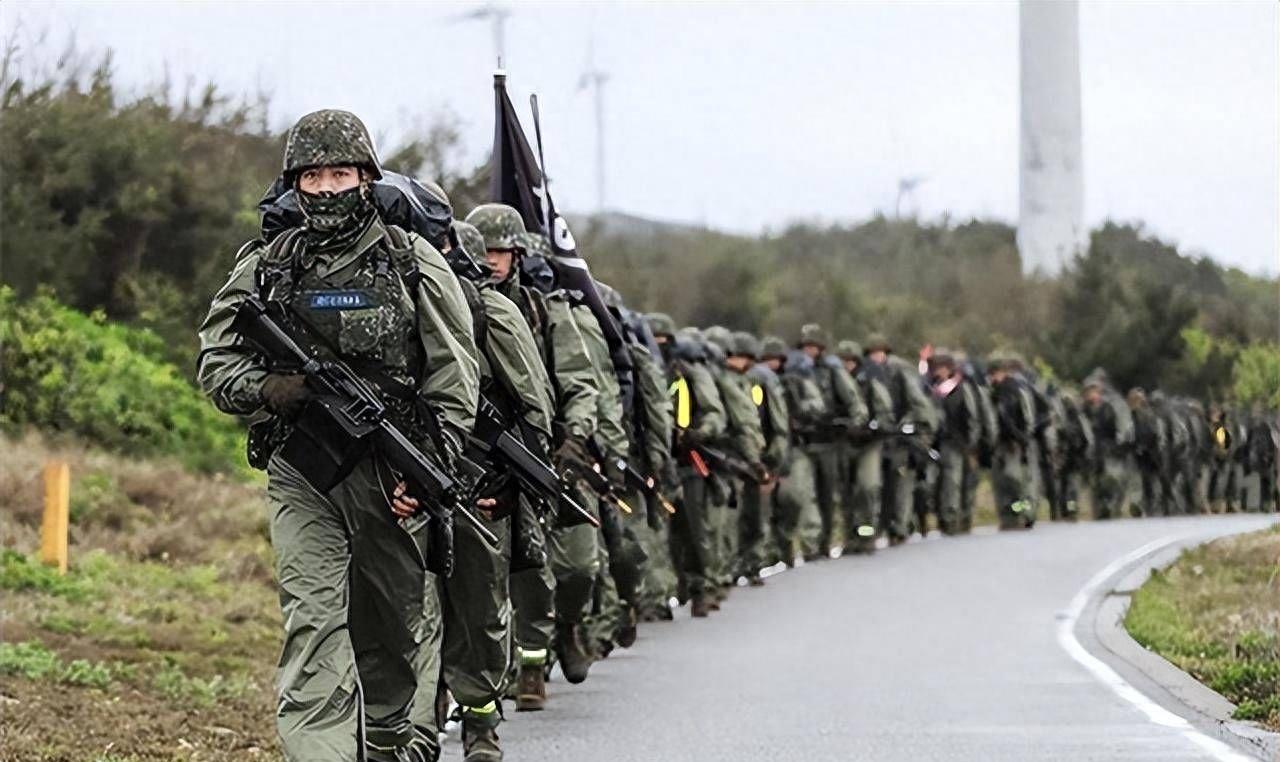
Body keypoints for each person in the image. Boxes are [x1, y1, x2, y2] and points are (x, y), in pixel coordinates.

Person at [197, 109, 480, 762]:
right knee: (314, 622)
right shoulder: (270, 264)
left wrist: (429, 465)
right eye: (313, 176)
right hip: (304, 475)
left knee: (387, 635)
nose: (326, 188)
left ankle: (387, 740)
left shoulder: (413, 261)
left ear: (367, 178)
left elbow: (454, 375)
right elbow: (217, 362)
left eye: (340, 173)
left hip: (389, 476)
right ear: (294, 185)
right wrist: (275, 390)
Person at [466, 205, 602, 697]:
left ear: (518, 255)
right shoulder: (458, 302)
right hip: (487, 453)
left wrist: (573, 440)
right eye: (483, 251)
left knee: (576, 567)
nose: (491, 261)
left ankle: (567, 626)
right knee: (513, 565)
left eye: (500, 251)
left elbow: (581, 385)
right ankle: (523, 668)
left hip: (552, 453)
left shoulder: (550, 312)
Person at [648, 314, 727, 617]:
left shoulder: (691, 373)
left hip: (688, 461)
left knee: (694, 530)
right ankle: (660, 594)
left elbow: (714, 413)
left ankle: (700, 588)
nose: (658, 346)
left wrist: (698, 433)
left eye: (663, 340)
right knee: (656, 532)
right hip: (656, 460)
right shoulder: (647, 368)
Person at [798, 324, 867, 556]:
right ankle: (812, 542)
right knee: (808, 494)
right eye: (806, 346)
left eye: (812, 346)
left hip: (830, 441)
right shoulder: (797, 370)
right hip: (806, 441)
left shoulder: (832, 371)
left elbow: (853, 400)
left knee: (830, 494)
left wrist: (856, 423)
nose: (809, 350)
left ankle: (827, 539)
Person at [864, 333, 936, 544]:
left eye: (879, 352)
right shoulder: (868, 372)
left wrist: (917, 428)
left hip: (902, 436)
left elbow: (918, 402)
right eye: (872, 353)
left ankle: (900, 527)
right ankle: (880, 526)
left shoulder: (900, 370)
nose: (876, 357)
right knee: (880, 485)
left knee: (902, 483)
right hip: (880, 436)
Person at [762, 337, 825, 565]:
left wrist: (799, 409)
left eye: (776, 359)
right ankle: (777, 548)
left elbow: (817, 405)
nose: (772, 364)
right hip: (766, 448)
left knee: (796, 496)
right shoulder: (757, 382)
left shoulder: (796, 381)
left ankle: (809, 543)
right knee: (770, 503)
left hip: (795, 447)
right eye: (767, 359)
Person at [836, 340, 894, 553]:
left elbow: (884, 411)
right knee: (846, 492)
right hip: (842, 443)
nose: (846, 365)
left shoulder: (870, 381)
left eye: (850, 361)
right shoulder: (832, 381)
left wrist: (875, 427)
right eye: (843, 361)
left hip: (869, 443)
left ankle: (867, 533)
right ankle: (850, 536)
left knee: (868, 487)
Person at [926, 348, 980, 535]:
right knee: (938, 482)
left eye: (941, 367)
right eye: (935, 367)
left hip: (957, 442)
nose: (937, 371)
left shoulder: (960, 389)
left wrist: (971, 444)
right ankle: (943, 516)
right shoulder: (932, 390)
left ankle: (953, 518)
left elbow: (971, 418)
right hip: (938, 442)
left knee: (953, 482)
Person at [987, 352, 1036, 529]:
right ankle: (1007, 517)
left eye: (996, 373)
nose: (993, 377)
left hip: (1016, 442)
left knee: (1017, 481)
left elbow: (1027, 417)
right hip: (1000, 443)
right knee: (1001, 483)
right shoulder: (994, 392)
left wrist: (1022, 439)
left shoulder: (1017, 390)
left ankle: (1024, 514)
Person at [1082, 369, 1134, 519]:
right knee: (1095, 483)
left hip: (1110, 450)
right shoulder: (1085, 409)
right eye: (1088, 390)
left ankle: (1111, 506)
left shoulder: (1111, 406)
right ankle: (1099, 510)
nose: (1091, 393)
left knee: (1111, 480)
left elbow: (1122, 428)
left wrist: (1119, 445)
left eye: (1093, 389)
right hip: (1094, 451)